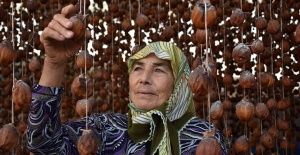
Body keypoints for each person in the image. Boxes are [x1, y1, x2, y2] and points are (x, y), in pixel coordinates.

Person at [26, 4, 227, 155]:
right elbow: (42, 143)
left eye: (159, 71)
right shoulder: (104, 128)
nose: (144, 79)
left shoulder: (203, 136)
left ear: (180, 84)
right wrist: (54, 63)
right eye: (138, 69)